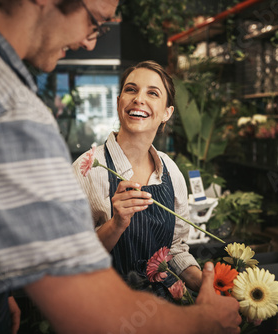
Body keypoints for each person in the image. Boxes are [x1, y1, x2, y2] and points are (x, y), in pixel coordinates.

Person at [0, 0, 241, 333]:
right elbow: (88, 310)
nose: (89, 42)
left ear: (167, 114)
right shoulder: (10, 109)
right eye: (95, 22)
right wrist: (202, 322)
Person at [72, 60, 204, 298]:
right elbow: (72, 255)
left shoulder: (171, 171)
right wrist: (116, 224)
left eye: (152, 93)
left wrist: (206, 284)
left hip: (163, 308)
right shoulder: (89, 169)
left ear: (167, 113)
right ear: (119, 102)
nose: (139, 98)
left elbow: (174, 250)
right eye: (131, 89)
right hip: (105, 305)